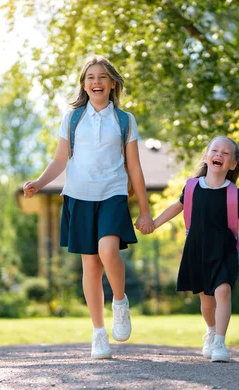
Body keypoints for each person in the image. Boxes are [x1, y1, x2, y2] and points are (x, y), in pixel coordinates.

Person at [23, 55, 154, 359]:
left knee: (108, 251)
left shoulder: (125, 120)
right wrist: (39, 183)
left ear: (112, 84)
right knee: (90, 267)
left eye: (102, 77)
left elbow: (134, 167)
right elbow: (60, 160)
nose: (96, 82)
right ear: (83, 84)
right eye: (90, 77)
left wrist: (145, 210)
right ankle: (98, 334)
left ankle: (119, 303)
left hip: (112, 194)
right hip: (79, 197)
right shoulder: (72, 118)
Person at [149, 136, 239, 362]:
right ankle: (210, 330)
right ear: (207, 157)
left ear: (233, 164)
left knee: (223, 291)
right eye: (215, 150)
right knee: (206, 301)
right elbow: (176, 208)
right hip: (197, 250)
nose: (219, 154)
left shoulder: (233, 193)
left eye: (226, 153)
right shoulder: (191, 188)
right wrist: (154, 223)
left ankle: (219, 342)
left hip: (224, 251)